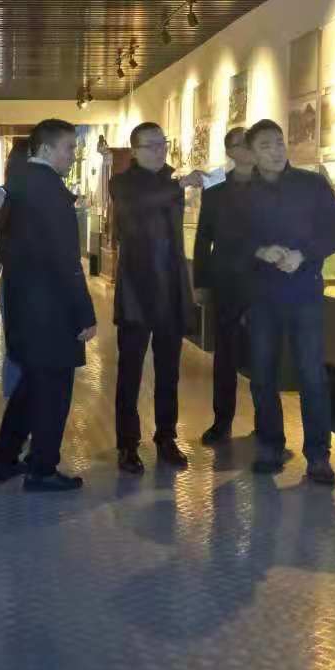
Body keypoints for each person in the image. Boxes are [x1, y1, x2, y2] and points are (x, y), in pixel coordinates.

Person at [240, 119, 335, 487]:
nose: (275, 150)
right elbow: (231, 240)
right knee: (262, 374)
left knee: (312, 375)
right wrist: (261, 251)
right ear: (252, 154)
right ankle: (270, 446)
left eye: (278, 142)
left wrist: (304, 255)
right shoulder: (244, 193)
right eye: (265, 145)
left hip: (305, 292)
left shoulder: (311, 184)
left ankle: (319, 456)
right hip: (262, 295)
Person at [0, 119, 96, 492]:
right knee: (53, 391)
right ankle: (42, 468)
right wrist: (84, 312)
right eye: (69, 148)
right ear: (47, 149)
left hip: (24, 301)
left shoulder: (17, 184)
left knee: (32, 385)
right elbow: (66, 260)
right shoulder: (50, 191)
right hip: (51, 308)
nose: (73, 155)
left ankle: (5, 457)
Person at [108, 122, 197, 473]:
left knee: (169, 370)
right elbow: (139, 208)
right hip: (137, 287)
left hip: (170, 287)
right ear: (135, 151)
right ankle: (127, 443)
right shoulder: (122, 183)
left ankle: (166, 436)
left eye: (163, 143)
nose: (160, 150)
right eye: (152, 145)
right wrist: (178, 187)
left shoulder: (170, 180)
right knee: (129, 370)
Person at [193, 126, 258, 446]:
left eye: (250, 142)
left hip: (264, 283)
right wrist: (201, 282)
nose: (247, 148)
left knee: (264, 354)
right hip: (227, 283)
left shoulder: (272, 186)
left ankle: (267, 423)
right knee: (225, 356)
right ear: (230, 151)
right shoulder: (216, 191)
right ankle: (222, 421)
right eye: (240, 144)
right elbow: (203, 238)